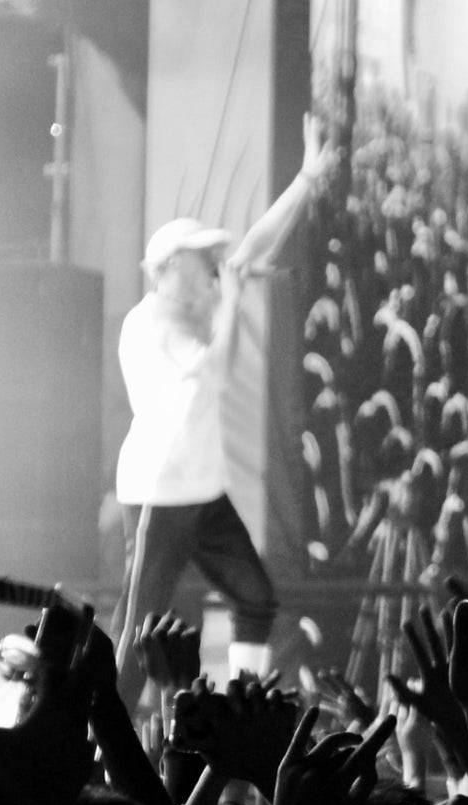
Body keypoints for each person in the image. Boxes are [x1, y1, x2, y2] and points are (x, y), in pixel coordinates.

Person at [113, 113, 341, 686]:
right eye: (201, 260)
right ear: (166, 271)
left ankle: (241, 710)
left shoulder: (201, 304)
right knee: (143, 623)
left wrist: (307, 179)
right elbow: (216, 375)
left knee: (256, 599)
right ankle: (101, 743)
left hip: (204, 493)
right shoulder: (150, 327)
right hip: (159, 495)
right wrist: (235, 303)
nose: (215, 269)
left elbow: (258, 240)